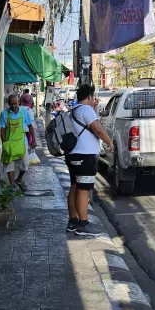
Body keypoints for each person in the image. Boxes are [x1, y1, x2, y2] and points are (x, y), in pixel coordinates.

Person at [66, 83, 113, 234]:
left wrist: (94, 108)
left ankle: (73, 221)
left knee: (75, 187)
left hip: (73, 155)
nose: (95, 99)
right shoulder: (86, 110)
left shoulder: (75, 109)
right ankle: (83, 224)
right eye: (93, 97)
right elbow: (98, 129)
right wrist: (109, 142)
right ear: (89, 97)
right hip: (85, 156)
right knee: (83, 190)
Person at [0, 93, 35, 190]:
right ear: (8, 104)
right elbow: (2, 129)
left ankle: (19, 179)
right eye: (11, 104)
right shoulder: (4, 114)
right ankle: (12, 184)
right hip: (9, 143)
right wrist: (4, 143)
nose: (13, 106)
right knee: (9, 164)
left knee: (25, 164)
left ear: (19, 102)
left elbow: (30, 126)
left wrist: (33, 140)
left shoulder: (24, 112)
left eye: (15, 103)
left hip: (22, 142)